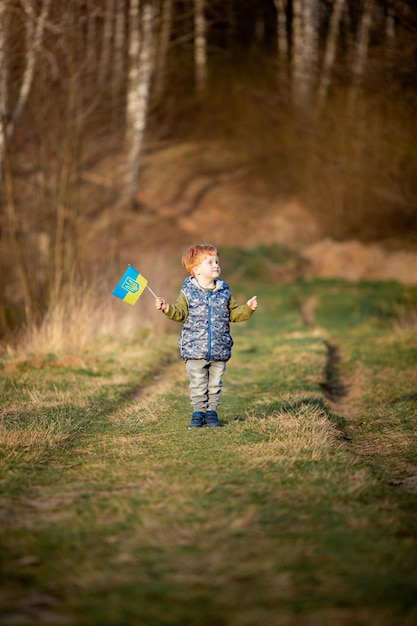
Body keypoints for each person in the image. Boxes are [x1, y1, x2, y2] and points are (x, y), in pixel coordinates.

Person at [155, 244, 257, 429]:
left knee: (215, 384)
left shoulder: (224, 291)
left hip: (219, 348)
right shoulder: (188, 292)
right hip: (194, 349)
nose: (215, 264)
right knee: (198, 383)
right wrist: (166, 308)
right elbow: (180, 313)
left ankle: (211, 413)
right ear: (196, 270)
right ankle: (198, 412)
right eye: (209, 262)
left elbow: (233, 314)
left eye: (216, 261)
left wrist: (247, 308)